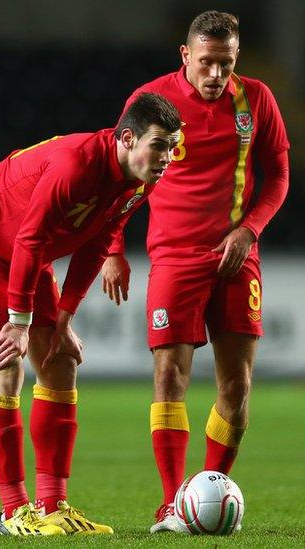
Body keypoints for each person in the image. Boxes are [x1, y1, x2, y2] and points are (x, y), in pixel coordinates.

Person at [0, 93, 181, 537]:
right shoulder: (77, 165)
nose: (168, 157)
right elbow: (29, 239)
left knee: (61, 364)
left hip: (30, 253)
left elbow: (98, 240)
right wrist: (20, 321)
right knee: (6, 366)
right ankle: (13, 512)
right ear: (127, 138)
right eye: (161, 145)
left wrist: (65, 318)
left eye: (173, 147)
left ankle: (54, 505)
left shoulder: (141, 180)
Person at [102, 10, 289, 534]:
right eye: (206, 62)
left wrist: (248, 230)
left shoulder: (257, 101)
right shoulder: (150, 102)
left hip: (235, 256)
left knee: (237, 384)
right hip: (173, 257)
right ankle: (170, 505)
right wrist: (113, 247)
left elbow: (277, 176)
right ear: (185, 56)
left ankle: (204, 493)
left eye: (225, 64)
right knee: (168, 378)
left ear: (236, 59)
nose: (215, 75)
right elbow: (122, 172)